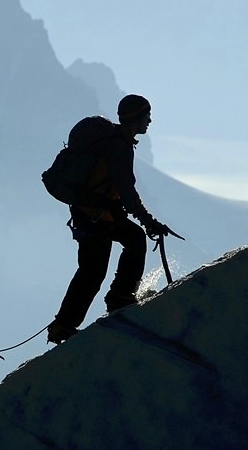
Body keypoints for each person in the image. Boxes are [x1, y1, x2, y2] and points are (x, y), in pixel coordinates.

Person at [46, 95, 168, 344]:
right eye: (147, 115)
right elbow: (127, 191)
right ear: (136, 117)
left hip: (94, 212)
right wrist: (148, 221)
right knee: (95, 268)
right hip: (96, 214)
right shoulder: (119, 147)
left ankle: (73, 320)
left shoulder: (112, 141)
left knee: (110, 256)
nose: (150, 120)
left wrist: (144, 220)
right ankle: (106, 304)